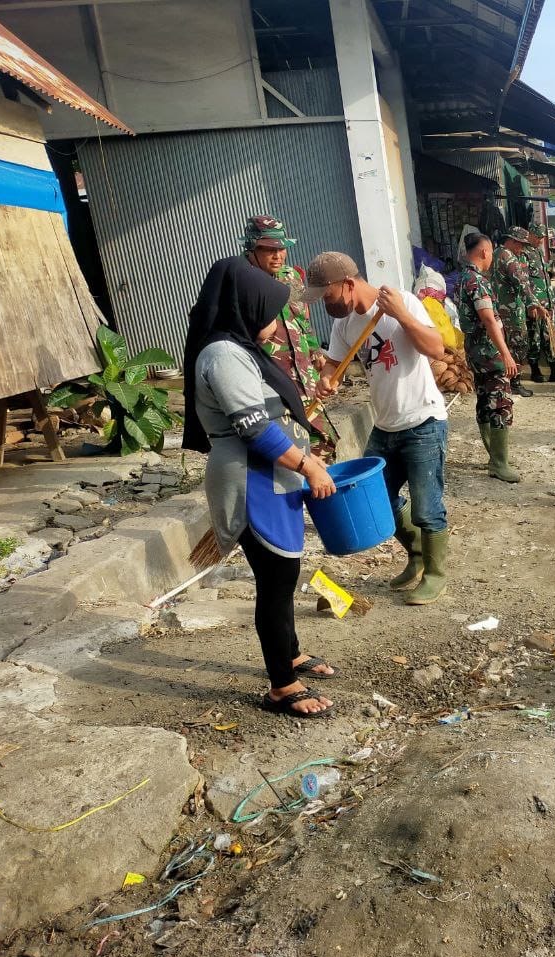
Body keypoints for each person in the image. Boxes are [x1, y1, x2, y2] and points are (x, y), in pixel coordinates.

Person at [182, 257, 339, 718]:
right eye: (270, 311)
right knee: (275, 581)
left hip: (273, 477)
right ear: (245, 308)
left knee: (283, 575)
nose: (276, 320)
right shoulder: (223, 355)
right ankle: (281, 686)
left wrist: (309, 415)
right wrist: (308, 466)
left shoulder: (242, 349)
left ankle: (289, 652)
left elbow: (271, 409)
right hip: (252, 481)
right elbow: (253, 427)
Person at [305, 253, 452, 605]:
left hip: (423, 421)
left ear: (348, 284)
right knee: (379, 497)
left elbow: (436, 348)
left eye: (328, 296)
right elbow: (335, 363)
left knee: (427, 507)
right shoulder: (344, 324)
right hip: (384, 426)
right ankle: (417, 555)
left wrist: (401, 314)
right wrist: (327, 379)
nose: (326, 305)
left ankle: (436, 576)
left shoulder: (404, 302)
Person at [240, 215, 338, 461]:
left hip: (304, 378)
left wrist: (315, 352)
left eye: (282, 248)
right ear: (251, 247)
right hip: (271, 382)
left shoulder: (290, 276)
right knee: (288, 452)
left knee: (323, 443)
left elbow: (302, 319)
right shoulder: (240, 280)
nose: (278, 256)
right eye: (269, 250)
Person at [460, 233, 522, 483]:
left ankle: (495, 456)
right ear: (485, 252)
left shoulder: (463, 278)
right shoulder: (477, 281)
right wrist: (506, 354)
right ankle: (499, 463)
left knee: (485, 400)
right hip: (489, 353)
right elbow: (487, 318)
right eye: (491, 254)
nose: (492, 259)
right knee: (500, 403)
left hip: (476, 352)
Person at [492, 226, 545, 398]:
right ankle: (515, 383)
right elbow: (522, 283)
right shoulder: (508, 257)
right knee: (519, 345)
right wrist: (536, 304)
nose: (522, 249)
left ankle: (503, 380)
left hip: (498, 309)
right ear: (512, 241)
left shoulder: (495, 254)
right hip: (512, 311)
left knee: (502, 345)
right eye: (521, 244)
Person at [523, 222, 555, 383]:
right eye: (538, 237)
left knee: (549, 336)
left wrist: (552, 301)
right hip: (536, 305)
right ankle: (535, 369)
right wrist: (531, 304)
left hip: (547, 304)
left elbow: (544, 279)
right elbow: (524, 282)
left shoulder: (538, 252)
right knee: (535, 337)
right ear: (530, 234)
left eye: (542, 238)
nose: (540, 240)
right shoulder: (524, 253)